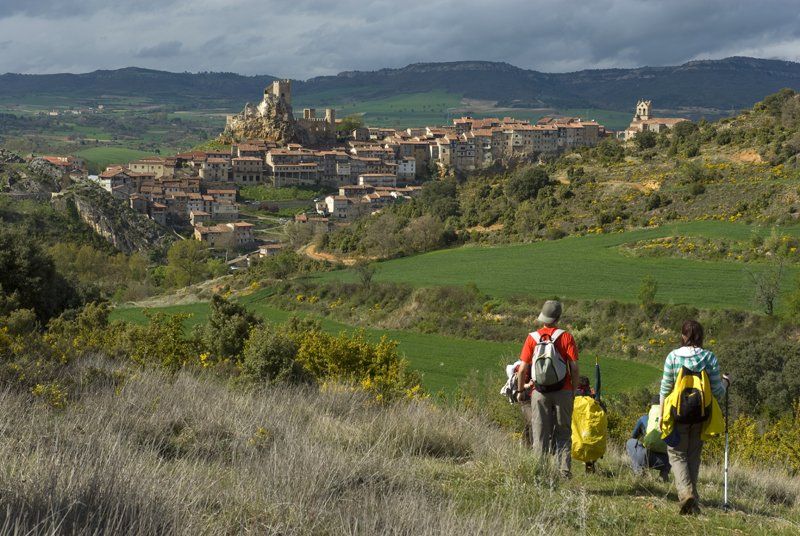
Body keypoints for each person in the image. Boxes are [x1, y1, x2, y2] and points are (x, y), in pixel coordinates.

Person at [659, 320, 728, 515]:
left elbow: (665, 388)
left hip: (677, 413)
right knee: (693, 456)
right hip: (701, 415)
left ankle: (686, 493)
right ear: (701, 336)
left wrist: (661, 415)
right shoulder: (709, 358)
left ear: (683, 336)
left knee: (677, 454)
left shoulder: (673, 356)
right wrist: (726, 383)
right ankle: (693, 501)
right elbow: (717, 392)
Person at [517, 300, 579, 478]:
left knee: (540, 433)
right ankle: (564, 472)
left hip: (539, 392)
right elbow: (574, 368)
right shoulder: (566, 337)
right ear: (558, 317)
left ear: (543, 317)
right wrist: (573, 391)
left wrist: (521, 391)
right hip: (563, 390)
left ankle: (539, 472)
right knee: (563, 432)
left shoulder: (532, 338)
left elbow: (522, 369)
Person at [626, 396, 671, 482]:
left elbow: (633, 436)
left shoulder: (644, 418)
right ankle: (664, 474)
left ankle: (639, 471)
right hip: (666, 461)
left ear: (651, 407)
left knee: (630, 442)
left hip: (646, 457)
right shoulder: (669, 419)